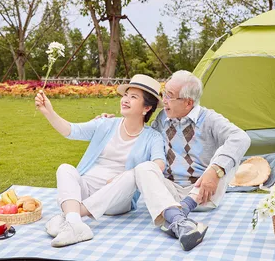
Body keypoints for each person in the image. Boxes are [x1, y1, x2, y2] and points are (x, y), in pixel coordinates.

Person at [99, 70, 251, 251]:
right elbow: (143, 138)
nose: (163, 101)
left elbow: (241, 138)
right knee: (144, 168)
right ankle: (181, 221)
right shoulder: (162, 118)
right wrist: (111, 124)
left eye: (169, 96)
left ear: (188, 102)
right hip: (169, 192)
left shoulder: (210, 119)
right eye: (164, 94)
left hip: (203, 193)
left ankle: (174, 216)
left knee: (226, 158)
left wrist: (215, 170)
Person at [34, 74, 181, 248]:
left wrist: (125, 174)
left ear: (146, 108)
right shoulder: (105, 124)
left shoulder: (152, 137)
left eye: (133, 97)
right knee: (65, 169)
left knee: (133, 175)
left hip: (117, 198)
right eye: (125, 95)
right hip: (87, 189)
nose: (125, 100)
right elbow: (71, 131)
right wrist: (49, 112)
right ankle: (75, 224)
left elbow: (158, 164)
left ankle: (69, 215)